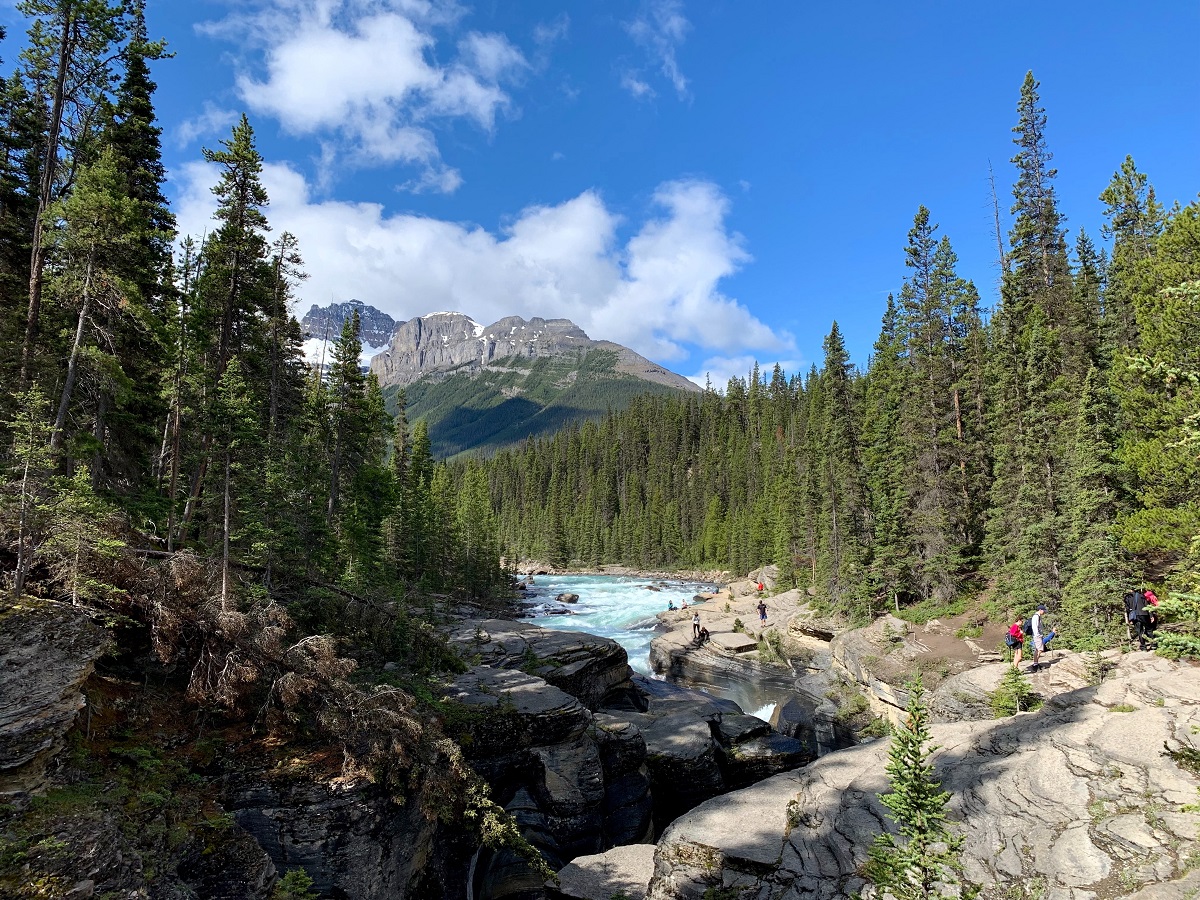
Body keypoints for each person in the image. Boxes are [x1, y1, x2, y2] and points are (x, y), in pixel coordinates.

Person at [1030, 604, 1049, 670]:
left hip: (1037, 635)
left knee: (1037, 650)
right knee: (1040, 649)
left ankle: (1036, 664)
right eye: (1043, 610)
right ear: (1040, 610)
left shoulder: (1037, 616)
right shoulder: (1036, 617)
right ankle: (1035, 665)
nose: (1044, 612)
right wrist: (1037, 635)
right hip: (1037, 636)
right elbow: (1035, 627)